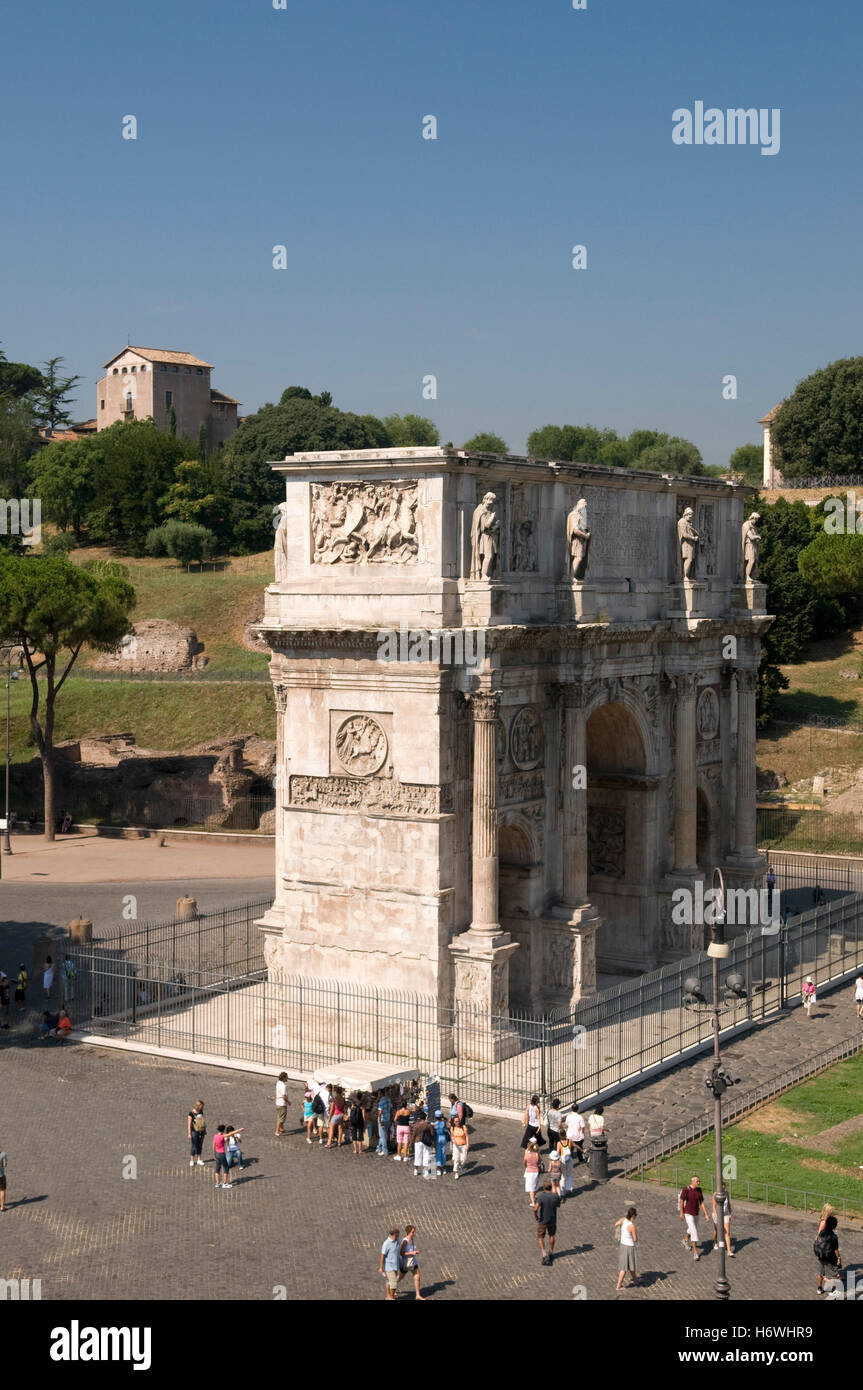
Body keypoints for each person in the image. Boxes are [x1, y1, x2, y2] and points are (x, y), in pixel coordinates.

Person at [679, 1175, 709, 1260]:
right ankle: (695, 1253)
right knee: (694, 1232)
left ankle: (685, 1240)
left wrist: (706, 1214)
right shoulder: (686, 1189)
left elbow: (701, 1202)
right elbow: (681, 1201)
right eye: (697, 1181)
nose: (698, 1183)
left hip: (696, 1213)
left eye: (699, 1181)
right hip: (688, 1213)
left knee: (691, 1229)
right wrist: (681, 1213)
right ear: (693, 1181)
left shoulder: (699, 1190)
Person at [533, 1178, 560, 1266]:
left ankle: (544, 1254)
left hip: (543, 1220)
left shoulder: (541, 1197)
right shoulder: (555, 1196)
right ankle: (551, 1252)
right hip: (552, 1219)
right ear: (551, 1187)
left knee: (540, 1237)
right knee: (552, 1235)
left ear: (544, 1188)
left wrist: (536, 1215)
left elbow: (536, 1208)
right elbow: (558, 1205)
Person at [815, 1213, 841, 1295]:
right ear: (834, 1226)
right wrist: (839, 1258)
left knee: (821, 1273)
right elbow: (835, 1250)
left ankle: (819, 1288)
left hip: (821, 1256)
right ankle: (832, 1291)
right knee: (833, 1275)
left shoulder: (822, 1232)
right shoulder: (833, 1236)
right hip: (830, 1258)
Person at [615, 1206, 639, 1289]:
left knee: (631, 1265)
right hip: (629, 1247)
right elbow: (635, 1239)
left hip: (622, 1245)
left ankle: (635, 1280)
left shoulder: (623, 1220)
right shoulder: (632, 1226)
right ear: (633, 1216)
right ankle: (619, 1285)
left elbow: (616, 1223)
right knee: (624, 1268)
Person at [399, 1225, 424, 1300]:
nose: (414, 1233)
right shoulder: (405, 1241)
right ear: (409, 1232)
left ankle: (417, 1295)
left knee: (417, 1277)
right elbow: (401, 1253)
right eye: (413, 1232)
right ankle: (391, 1286)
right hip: (406, 1263)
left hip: (413, 1262)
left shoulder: (412, 1239)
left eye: (414, 1232)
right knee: (401, 1277)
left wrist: (414, 1252)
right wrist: (412, 1253)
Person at [379, 1228, 401, 1300]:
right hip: (389, 1267)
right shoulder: (386, 1243)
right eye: (398, 1233)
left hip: (395, 1266)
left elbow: (397, 1253)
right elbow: (382, 1255)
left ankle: (388, 1296)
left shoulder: (397, 1241)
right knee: (394, 1283)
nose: (399, 1235)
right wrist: (381, 1267)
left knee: (389, 1282)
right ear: (395, 1234)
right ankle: (391, 1297)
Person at [412, 1109, 434, 1179]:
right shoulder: (428, 1125)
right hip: (426, 1142)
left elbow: (413, 1135)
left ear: (419, 1118)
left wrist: (411, 1143)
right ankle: (426, 1171)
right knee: (426, 1155)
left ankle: (416, 1170)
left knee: (418, 1156)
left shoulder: (416, 1125)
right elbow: (432, 1133)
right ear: (425, 1118)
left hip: (417, 1141)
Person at [712, 1189, 734, 1257]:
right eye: (722, 1188)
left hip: (725, 1214)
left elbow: (728, 1204)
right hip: (718, 1214)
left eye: (724, 1188)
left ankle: (729, 1251)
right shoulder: (715, 1194)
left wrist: (730, 1213)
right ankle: (715, 1242)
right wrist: (716, 1214)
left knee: (727, 1233)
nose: (723, 1190)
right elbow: (714, 1206)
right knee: (717, 1230)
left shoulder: (727, 1193)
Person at [450, 1111, 469, 1180]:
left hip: (463, 1145)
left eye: (458, 1121)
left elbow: (466, 1136)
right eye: (455, 1121)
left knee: (463, 1159)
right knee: (456, 1159)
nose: (457, 1122)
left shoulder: (463, 1127)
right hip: (456, 1146)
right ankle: (456, 1172)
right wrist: (453, 1140)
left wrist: (467, 1144)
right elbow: (452, 1136)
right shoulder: (452, 1128)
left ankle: (461, 1166)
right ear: (453, 1122)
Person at [524, 1137, 543, 1204]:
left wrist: (527, 1166)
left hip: (529, 1171)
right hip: (536, 1171)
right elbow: (539, 1162)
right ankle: (533, 1197)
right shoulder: (537, 1154)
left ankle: (533, 1202)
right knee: (535, 1186)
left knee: (531, 1189)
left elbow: (525, 1162)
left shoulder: (527, 1153)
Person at [188, 1100, 206, 1167]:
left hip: (201, 1131)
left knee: (200, 1145)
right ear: (198, 1106)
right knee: (194, 1145)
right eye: (201, 1106)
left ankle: (199, 1159)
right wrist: (189, 1133)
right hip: (194, 1131)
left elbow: (202, 1121)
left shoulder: (201, 1112)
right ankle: (192, 1160)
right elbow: (189, 1124)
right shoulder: (191, 1113)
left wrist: (204, 1129)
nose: (202, 1107)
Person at [557, 1130, 574, 1200]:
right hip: (569, 1159)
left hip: (562, 1161)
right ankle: (569, 1188)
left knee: (563, 1176)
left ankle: (562, 1192)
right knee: (569, 1174)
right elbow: (573, 1147)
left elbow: (558, 1153)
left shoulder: (559, 1143)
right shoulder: (570, 1141)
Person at [432, 1110, 449, 1177]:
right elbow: (447, 1119)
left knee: (438, 1154)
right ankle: (444, 1168)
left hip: (437, 1138)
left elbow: (433, 1133)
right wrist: (443, 1116)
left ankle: (439, 1169)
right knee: (443, 1153)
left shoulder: (434, 1124)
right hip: (443, 1138)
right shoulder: (443, 1123)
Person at [376, 1090, 392, 1156]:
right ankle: (379, 1148)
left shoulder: (381, 1101)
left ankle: (385, 1151)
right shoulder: (389, 1100)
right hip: (387, 1119)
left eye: (379, 1093)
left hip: (382, 1120)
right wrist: (390, 1119)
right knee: (383, 1135)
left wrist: (380, 1121)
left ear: (381, 1093)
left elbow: (380, 1113)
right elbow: (391, 1109)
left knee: (383, 1136)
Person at [275, 1071, 290, 1137]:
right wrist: (288, 1102)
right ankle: (277, 1131)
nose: (287, 1078)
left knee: (280, 1117)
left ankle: (281, 1129)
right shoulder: (283, 1086)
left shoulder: (278, 1083)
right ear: (284, 1078)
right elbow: (284, 1096)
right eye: (286, 1077)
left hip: (278, 1103)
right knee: (281, 1119)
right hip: (282, 1104)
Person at [0, 1148, 6, 1213]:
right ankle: (2, 1207)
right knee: (2, 1191)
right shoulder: (3, 1154)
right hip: (1, 1176)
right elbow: (5, 1165)